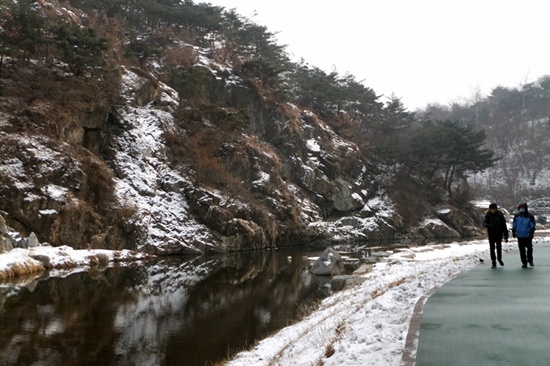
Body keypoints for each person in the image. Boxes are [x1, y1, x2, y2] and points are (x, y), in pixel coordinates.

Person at [482, 203, 508, 268]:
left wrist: (506, 236)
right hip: (491, 233)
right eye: (492, 209)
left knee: (499, 247)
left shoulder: (500, 215)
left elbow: (504, 225)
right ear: (490, 209)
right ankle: (493, 262)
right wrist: (489, 225)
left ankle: (499, 259)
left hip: (499, 233)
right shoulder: (488, 215)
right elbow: (484, 223)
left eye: (494, 209)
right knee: (492, 248)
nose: (493, 210)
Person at [512, 202, 536, 268]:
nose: (521, 209)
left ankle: (530, 260)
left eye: (523, 208)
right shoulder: (516, 216)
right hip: (520, 235)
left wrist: (531, 232)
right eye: (520, 208)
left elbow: (532, 225)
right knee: (521, 250)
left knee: (529, 248)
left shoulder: (530, 216)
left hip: (527, 235)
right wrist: (514, 231)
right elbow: (514, 224)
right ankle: (524, 262)